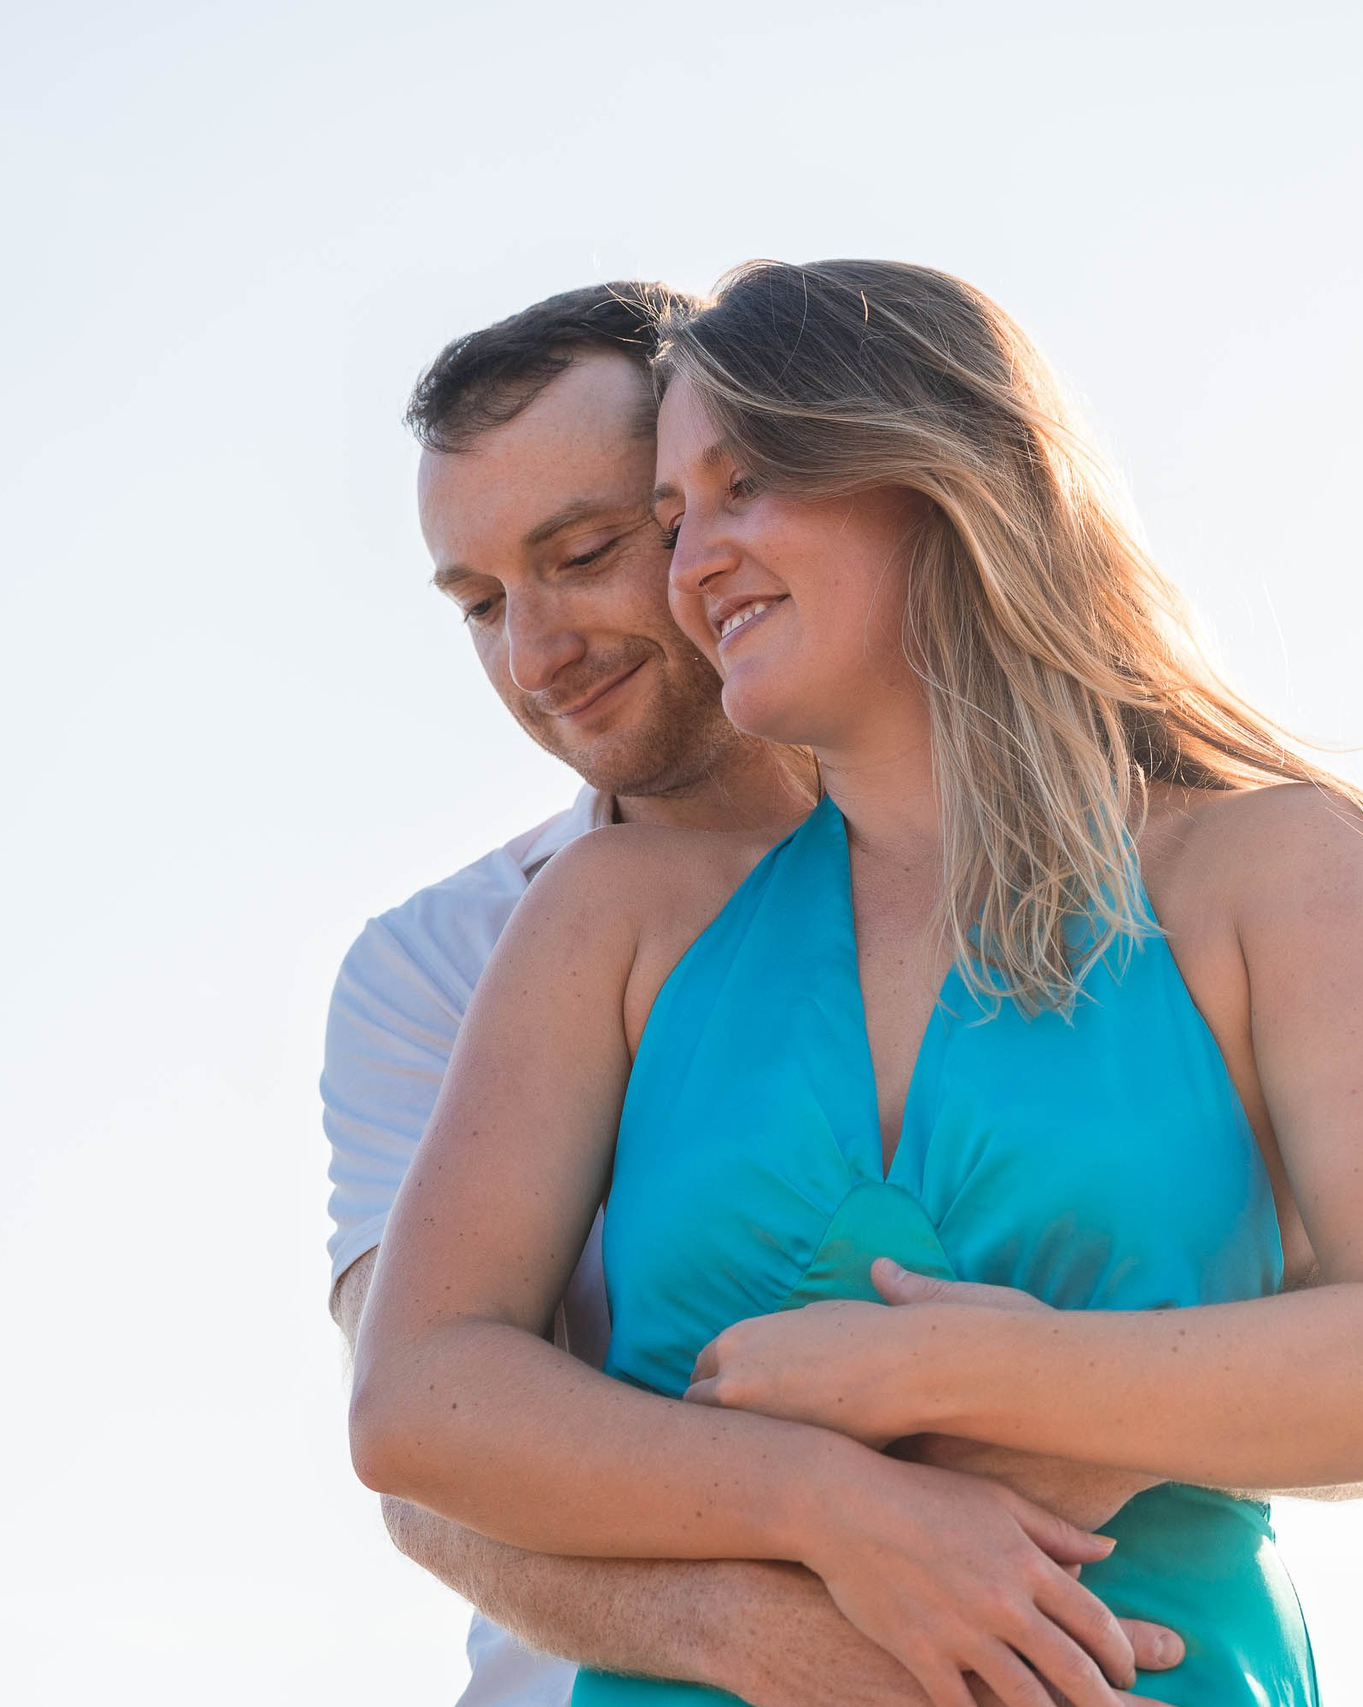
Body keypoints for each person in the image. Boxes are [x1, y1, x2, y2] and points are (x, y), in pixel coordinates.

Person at [349, 259, 1363, 1707]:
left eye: (742, 489)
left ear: (935, 471)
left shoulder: (1280, 867)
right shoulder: (595, 919)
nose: (693, 567)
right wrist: (829, 1505)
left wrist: (932, 1376)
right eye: (672, 523)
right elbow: (417, 1409)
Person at [322, 283, 1196, 1707]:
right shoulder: (439, 965)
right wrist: (771, 1624)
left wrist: (1045, 1449)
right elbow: (425, 1467)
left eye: (588, 554)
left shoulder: (1134, 867)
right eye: (480, 605)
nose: (535, 656)